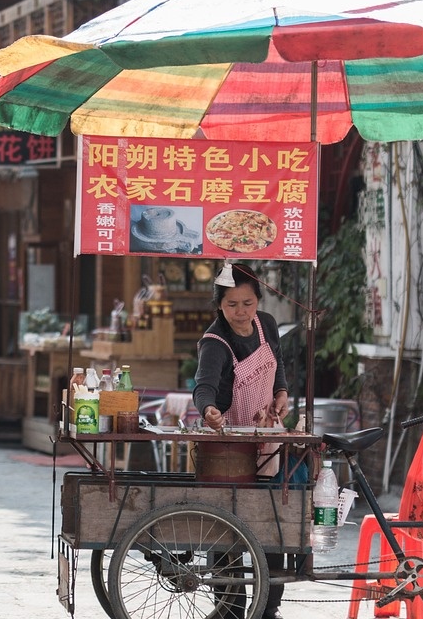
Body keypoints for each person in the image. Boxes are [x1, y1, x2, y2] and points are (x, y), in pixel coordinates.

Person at [192, 263, 289, 619]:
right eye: (232, 304)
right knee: (226, 525)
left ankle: (268, 608)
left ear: (258, 299)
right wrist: (209, 412)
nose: (241, 312)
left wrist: (281, 392)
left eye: (247, 303)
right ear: (219, 305)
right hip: (228, 447)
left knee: (273, 522)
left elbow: (278, 363)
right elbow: (203, 387)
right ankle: (229, 606)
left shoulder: (268, 324)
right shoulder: (215, 342)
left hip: (266, 438)